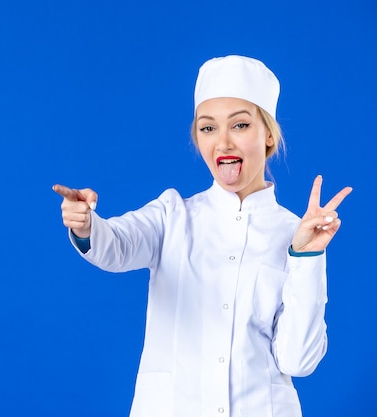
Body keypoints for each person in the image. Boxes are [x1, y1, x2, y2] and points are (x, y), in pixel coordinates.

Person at [52, 55, 352, 417]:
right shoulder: (172, 214)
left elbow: (298, 361)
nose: (223, 142)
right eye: (208, 128)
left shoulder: (294, 232)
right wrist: (87, 225)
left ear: (268, 134)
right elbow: (116, 244)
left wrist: (307, 257)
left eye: (240, 125)